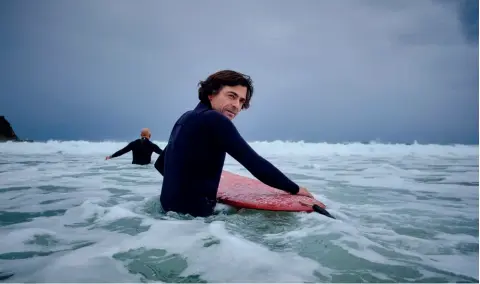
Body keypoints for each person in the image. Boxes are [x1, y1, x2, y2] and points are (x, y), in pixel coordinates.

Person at [154, 70, 313, 217]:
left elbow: (161, 164)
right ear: (211, 94)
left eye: (241, 101)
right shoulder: (215, 120)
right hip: (194, 224)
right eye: (231, 96)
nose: (237, 105)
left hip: (167, 217)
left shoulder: (186, 118)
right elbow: (254, 163)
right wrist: (296, 189)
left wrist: (190, 188)